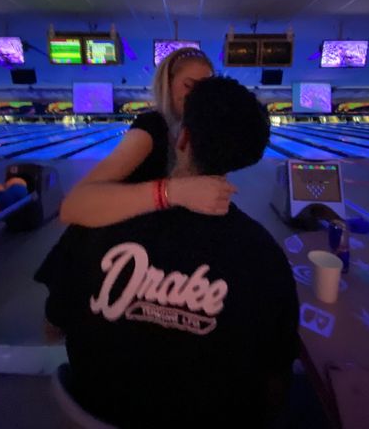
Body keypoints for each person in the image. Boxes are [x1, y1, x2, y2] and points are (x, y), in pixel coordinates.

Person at [35, 77, 300, 429]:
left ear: (183, 137)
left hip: (93, 413)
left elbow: (54, 328)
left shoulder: (95, 224)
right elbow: (275, 379)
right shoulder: (264, 255)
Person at [60, 47, 236, 227]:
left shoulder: (201, 131)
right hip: (132, 242)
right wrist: (170, 192)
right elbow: (73, 206)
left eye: (204, 89)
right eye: (188, 85)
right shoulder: (151, 126)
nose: (197, 96)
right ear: (167, 84)